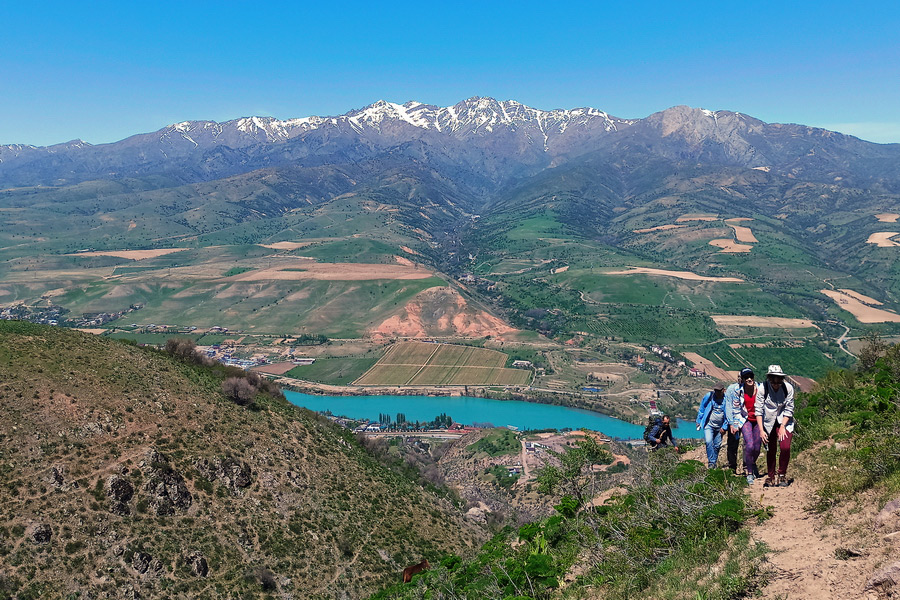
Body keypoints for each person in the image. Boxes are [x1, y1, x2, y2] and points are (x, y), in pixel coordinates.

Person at [755, 365, 795, 487]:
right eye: (774, 380)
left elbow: (789, 408)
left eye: (779, 380)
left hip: (784, 420)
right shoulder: (763, 389)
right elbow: (758, 410)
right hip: (768, 422)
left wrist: (783, 426)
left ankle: (782, 474)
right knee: (771, 449)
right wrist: (761, 430)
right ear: (769, 379)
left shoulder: (788, 388)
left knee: (785, 447)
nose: (776, 383)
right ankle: (771, 476)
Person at [726, 367, 764, 483]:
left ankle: (751, 463)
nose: (749, 379)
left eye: (750, 376)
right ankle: (749, 472)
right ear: (742, 379)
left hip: (758, 420)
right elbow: (736, 409)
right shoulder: (738, 391)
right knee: (750, 445)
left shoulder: (761, 389)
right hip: (745, 419)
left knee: (757, 448)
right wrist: (734, 424)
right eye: (746, 377)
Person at [696, 383, 728, 468]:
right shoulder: (709, 396)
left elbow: (729, 414)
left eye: (718, 391)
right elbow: (702, 408)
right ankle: (711, 462)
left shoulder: (727, 400)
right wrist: (699, 420)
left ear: (723, 390)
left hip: (720, 427)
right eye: (715, 390)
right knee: (708, 441)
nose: (716, 392)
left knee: (717, 445)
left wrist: (724, 427)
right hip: (709, 425)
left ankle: (714, 462)